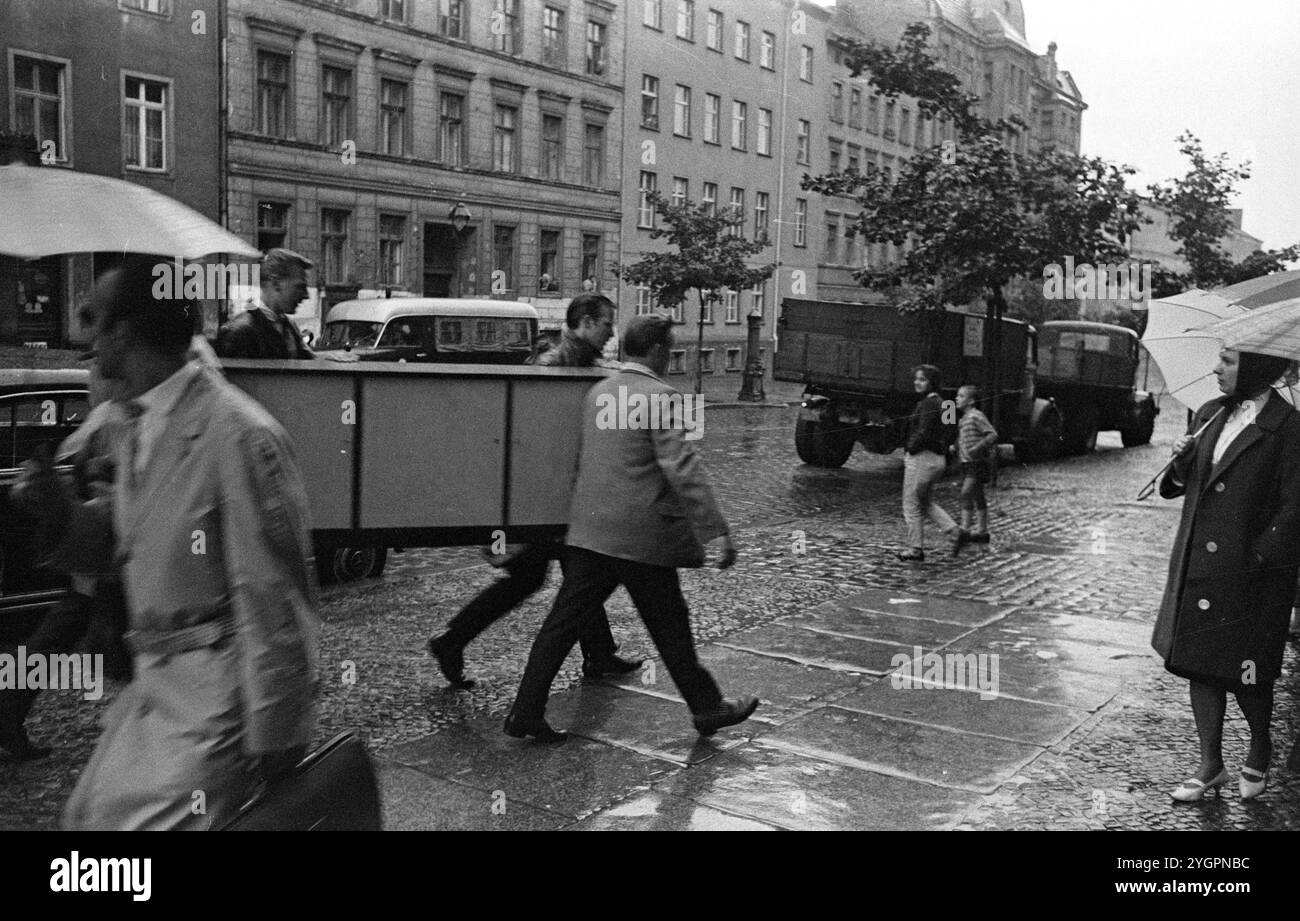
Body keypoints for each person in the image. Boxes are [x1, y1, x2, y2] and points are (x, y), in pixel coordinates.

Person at [15, 255, 319, 829]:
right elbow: (125, 550)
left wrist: (277, 736)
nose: (85, 338)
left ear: (123, 334)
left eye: (91, 318)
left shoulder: (241, 436)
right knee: (86, 821)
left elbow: (274, 596)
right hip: (153, 690)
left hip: (214, 702)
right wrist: (58, 511)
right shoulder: (133, 424)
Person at [504, 314, 758, 742]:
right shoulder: (661, 396)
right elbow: (682, 467)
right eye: (670, 349)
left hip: (590, 531)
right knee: (670, 625)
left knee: (561, 625)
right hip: (640, 535)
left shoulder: (599, 393)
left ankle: (526, 711)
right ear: (658, 351)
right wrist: (716, 530)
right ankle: (707, 708)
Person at [427, 294, 639, 688]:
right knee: (573, 573)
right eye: (607, 323)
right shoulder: (553, 365)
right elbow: (533, 438)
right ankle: (454, 642)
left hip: (554, 495)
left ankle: (597, 653)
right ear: (587, 322)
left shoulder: (580, 363)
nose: (612, 332)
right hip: (542, 498)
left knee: (565, 574)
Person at [1155, 348, 1300, 802]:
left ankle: (1260, 745)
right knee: (1200, 661)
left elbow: (1296, 505)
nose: (1216, 369)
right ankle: (1210, 764)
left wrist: (1259, 557)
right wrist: (1182, 458)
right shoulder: (1208, 414)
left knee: (1246, 669)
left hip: (1253, 573)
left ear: (1255, 366)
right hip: (1201, 565)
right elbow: (1183, 485)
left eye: (1228, 361)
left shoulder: (1290, 427)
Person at [215, 248, 342, 360]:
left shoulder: (288, 325)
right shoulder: (239, 332)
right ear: (276, 283)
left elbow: (307, 358)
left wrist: (333, 357)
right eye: (299, 287)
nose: (306, 295)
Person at [897, 365, 964, 562]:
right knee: (924, 501)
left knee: (911, 505)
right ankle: (954, 532)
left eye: (922, 379)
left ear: (931, 382)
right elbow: (952, 428)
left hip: (921, 459)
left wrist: (910, 447)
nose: (917, 383)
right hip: (939, 459)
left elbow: (923, 432)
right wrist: (945, 446)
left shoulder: (927, 404)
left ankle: (915, 549)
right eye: (916, 379)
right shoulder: (947, 403)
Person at [955, 384, 998, 544]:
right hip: (966, 463)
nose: (956, 399)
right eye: (957, 396)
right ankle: (982, 531)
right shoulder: (962, 419)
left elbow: (992, 434)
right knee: (977, 495)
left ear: (971, 401)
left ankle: (965, 528)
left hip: (977, 463)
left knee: (966, 493)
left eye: (961, 396)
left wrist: (977, 447)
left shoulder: (976, 416)